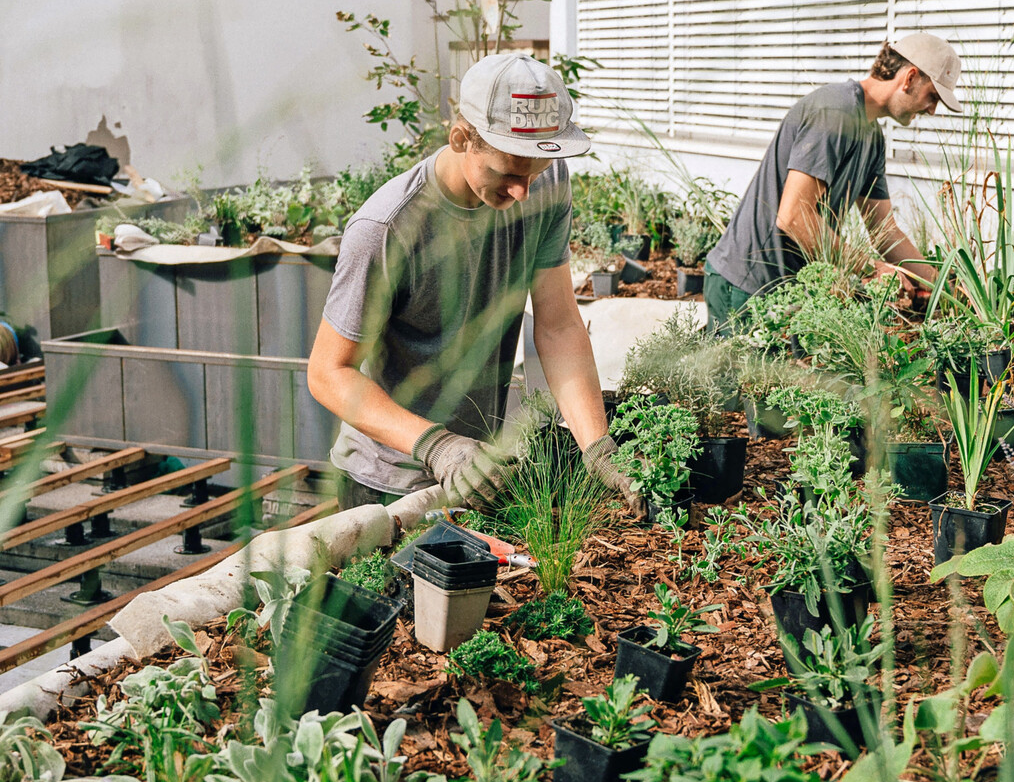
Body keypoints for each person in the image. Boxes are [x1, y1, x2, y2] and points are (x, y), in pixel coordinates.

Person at [307, 51, 639, 517]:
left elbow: (559, 324)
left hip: (479, 469)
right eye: (507, 171)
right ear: (461, 138)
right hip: (387, 481)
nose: (523, 191)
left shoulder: (546, 182)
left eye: (534, 170)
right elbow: (328, 374)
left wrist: (597, 447)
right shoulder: (388, 228)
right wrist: (437, 447)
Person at [703, 33, 962, 333]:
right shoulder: (834, 112)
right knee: (725, 381)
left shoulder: (872, 137)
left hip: (786, 293)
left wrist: (947, 290)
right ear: (910, 78)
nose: (932, 110)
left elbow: (885, 232)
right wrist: (872, 268)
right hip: (745, 287)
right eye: (933, 96)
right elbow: (794, 217)